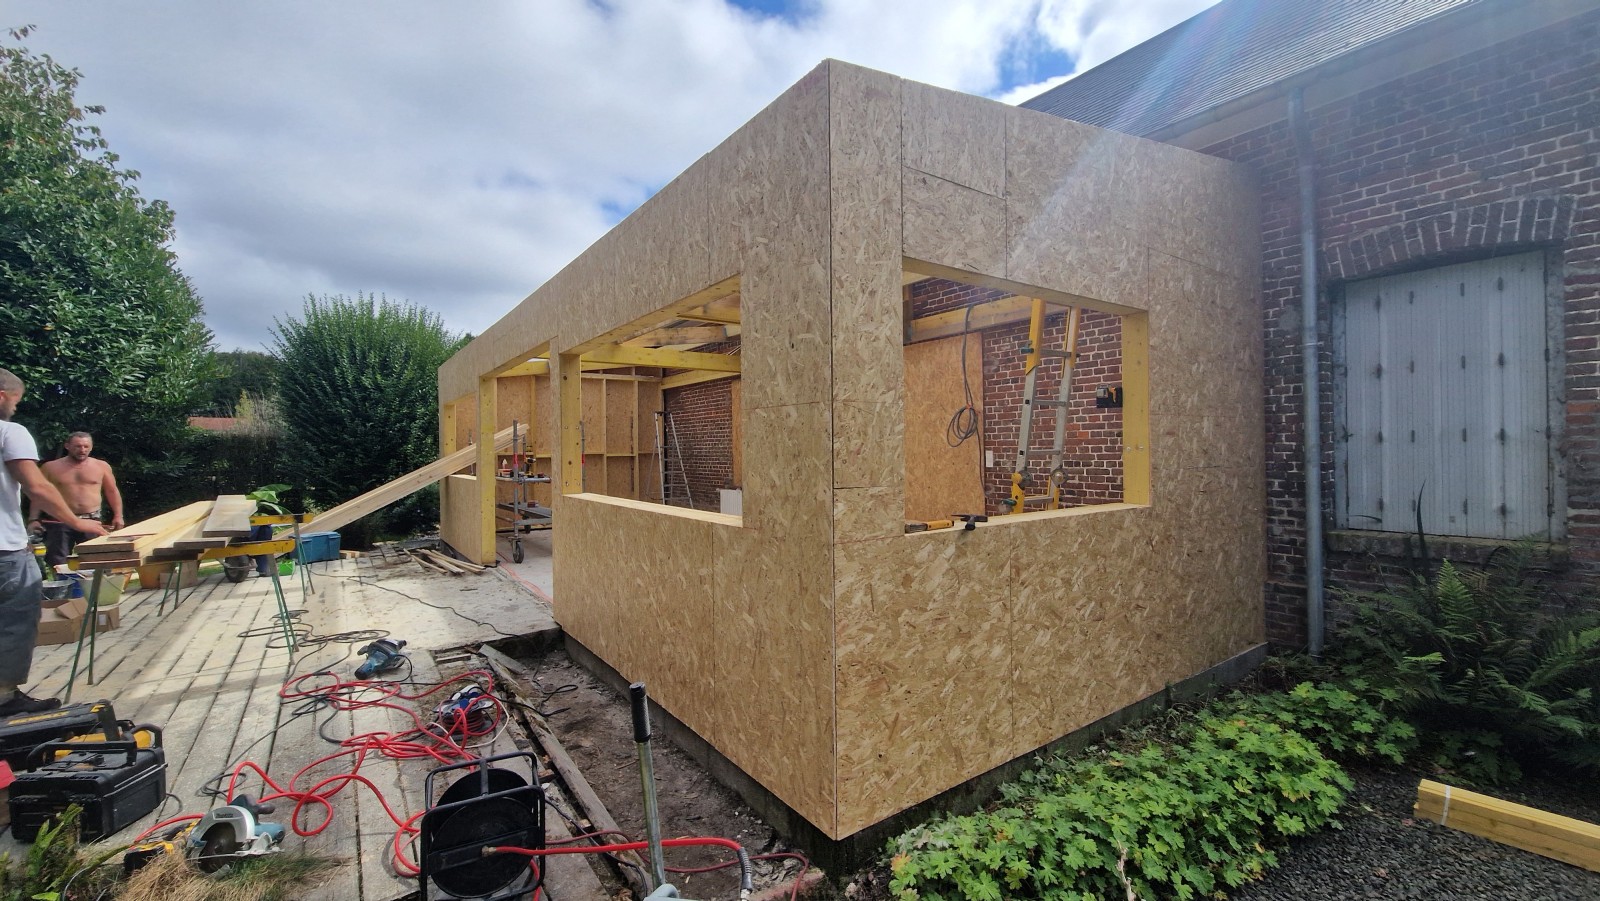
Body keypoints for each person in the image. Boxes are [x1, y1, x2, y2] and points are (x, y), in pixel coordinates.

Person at [0, 368, 110, 715]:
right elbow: (38, 487)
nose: (15, 409)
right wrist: (79, 522)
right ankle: (4, 699)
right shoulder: (9, 432)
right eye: (15, 401)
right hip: (4, 549)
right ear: (4, 396)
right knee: (15, 619)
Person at [34, 431, 124, 568]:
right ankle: (62, 588)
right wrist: (33, 519)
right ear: (67, 446)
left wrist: (118, 515)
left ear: (91, 447)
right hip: (59, 520)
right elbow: (39, 494)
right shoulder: (50, 467)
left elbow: (112, 491)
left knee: (94, 559)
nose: (82, 450)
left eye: (86, 446)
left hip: (91, 520)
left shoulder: (101, 466)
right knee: (58, 562)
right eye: (78, 446)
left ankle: (93, 588)